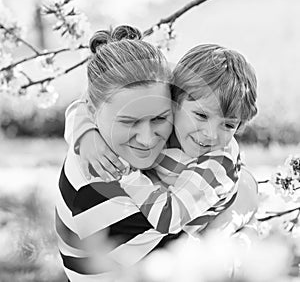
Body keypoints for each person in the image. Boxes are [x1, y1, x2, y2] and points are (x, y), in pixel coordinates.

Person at [57, 25, 258, 282]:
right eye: (129, 121)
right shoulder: (101, 184)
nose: (148, 138)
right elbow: (204, 269)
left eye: (159, 117)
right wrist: (244, 229)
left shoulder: (210, 158)